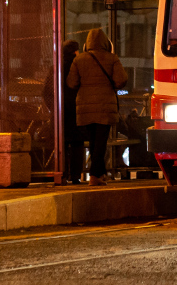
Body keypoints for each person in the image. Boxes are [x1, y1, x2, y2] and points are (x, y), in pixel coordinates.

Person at [67, 28, 127, 186]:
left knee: (93, 141)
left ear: (87, 44)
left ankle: (99, 174)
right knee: (101, 141)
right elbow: (121, 80)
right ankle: (95, 175)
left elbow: (71, 83)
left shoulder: (78, 60)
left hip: (85, 105)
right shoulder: (112, 58)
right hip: (105, 105)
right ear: (105, 43)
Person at [43, 40, 82, 184]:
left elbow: (46, 91)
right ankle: (76, 176)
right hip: (76, 111)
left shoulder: (55, 69)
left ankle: (62, 174)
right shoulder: (78, 67)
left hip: (60, 113)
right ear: (75, 52)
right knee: (77, 144)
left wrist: (53, 108)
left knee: (62, 144)